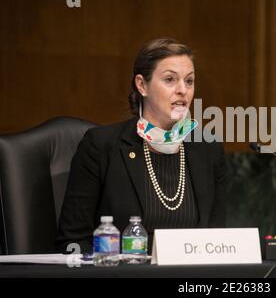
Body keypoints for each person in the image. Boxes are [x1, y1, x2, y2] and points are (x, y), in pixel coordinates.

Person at [56, 38, 228, 253]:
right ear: (142, 85)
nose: (183, 90)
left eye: (189, 81)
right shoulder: (101, 146)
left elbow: (219, 240)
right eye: (170, 79)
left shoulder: (207, 150)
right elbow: (73, 242)